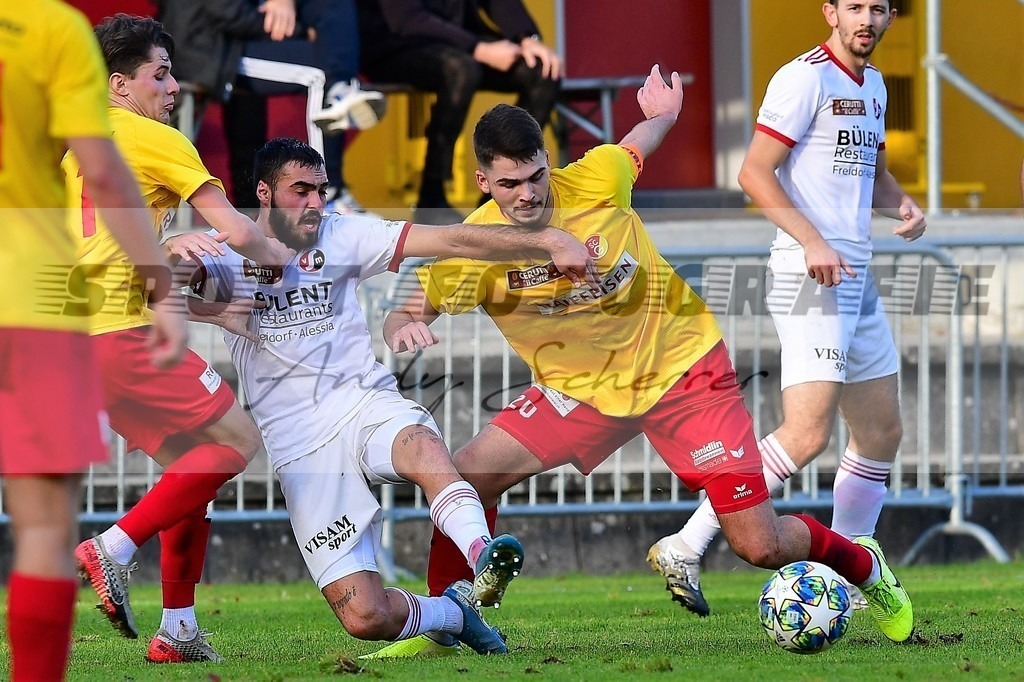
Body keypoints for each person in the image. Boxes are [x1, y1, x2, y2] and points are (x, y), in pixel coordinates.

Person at [368, 65, 915, 658]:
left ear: (548, 162)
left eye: (535, 176)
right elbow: (410, 303)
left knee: (759, 546)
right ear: (483, 181)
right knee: (467, 476)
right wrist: (403, 325)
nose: (527, 194)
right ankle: (446, 621)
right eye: (509, 184)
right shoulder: (475, 246)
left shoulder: (599, 178)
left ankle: (865, 565)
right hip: (579, 392)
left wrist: (664, 116)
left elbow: (635, 145)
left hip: (684, 373)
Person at [186, 136, 598, 655]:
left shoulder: (342, 234)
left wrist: (544, 242)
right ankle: (454, 612)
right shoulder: (222, 254)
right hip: (299, 445)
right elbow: (141, 289)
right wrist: (186, 278)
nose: (315, 203)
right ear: (264, 193)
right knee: (365, 617)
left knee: (423, 445)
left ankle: (481, 554)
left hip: (363, 402)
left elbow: (451, 241)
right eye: (300, 191)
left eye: (321, 190)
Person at [648, 0, 927, 617]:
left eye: (879, 9)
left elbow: (872, 173)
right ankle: (686, 544)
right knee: (806, 433)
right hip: (808, 273)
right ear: (829, 11)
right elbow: (754, 172)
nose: (868, 19)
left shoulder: (875, 83)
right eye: (854, 6)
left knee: (881, 431)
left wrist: (901, 202)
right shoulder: (802, 77)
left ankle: (853, 581)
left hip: (853, 273)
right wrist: (812, 240)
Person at [64, 14, 293, 664]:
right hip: (123, 336)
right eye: (160, 75)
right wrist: (293, 255)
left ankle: (180, 630)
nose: (174, 88)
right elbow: (238, 231)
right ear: (118, 84)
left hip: (76, 345)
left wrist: (171, 255)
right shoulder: (149, 136)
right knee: (238, 443)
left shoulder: (73, 149)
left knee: (193, 464)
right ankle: (112, 547)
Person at [0, 3, 187, 680]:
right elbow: (103, 175)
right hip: (30, 295)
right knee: (45, 530)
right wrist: (161, 285)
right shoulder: (51, 31)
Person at [156, 0, 386, 213]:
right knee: (320, 74)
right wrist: (299, 31)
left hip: (234, 42)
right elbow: (228, 11)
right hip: (206, 50)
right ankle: (328, 195)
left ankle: (341, 89)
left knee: (332, 27)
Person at [356, 0, 562, 224]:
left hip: (462, 42)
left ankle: (499, 195)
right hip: (396, 44)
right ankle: (432, 197)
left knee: (542, 71)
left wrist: (527, 38)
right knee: (461, 70)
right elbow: (406, 19)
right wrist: (479, 48)